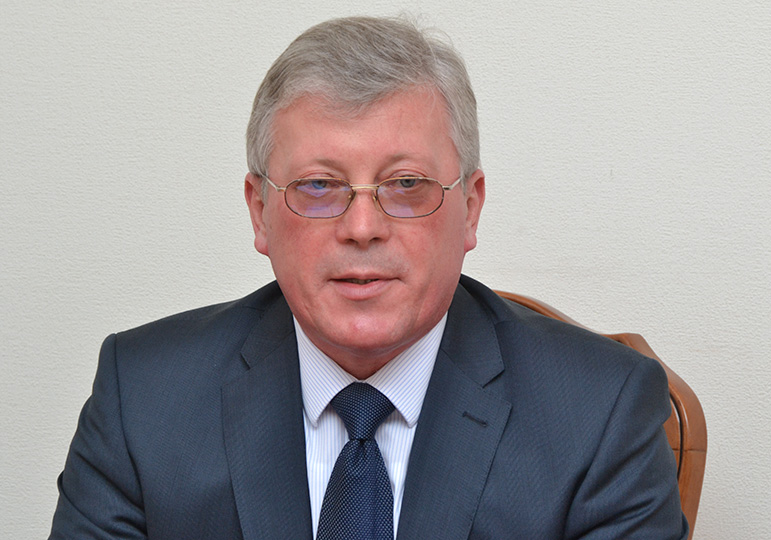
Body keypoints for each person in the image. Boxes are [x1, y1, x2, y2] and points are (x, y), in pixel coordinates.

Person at [50, 15, 688, 540]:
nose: (362, 227)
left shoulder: (601, 412)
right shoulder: (143, 399)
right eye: (318, 186)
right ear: (259, 212)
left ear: (470, 209)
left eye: (406, 184)